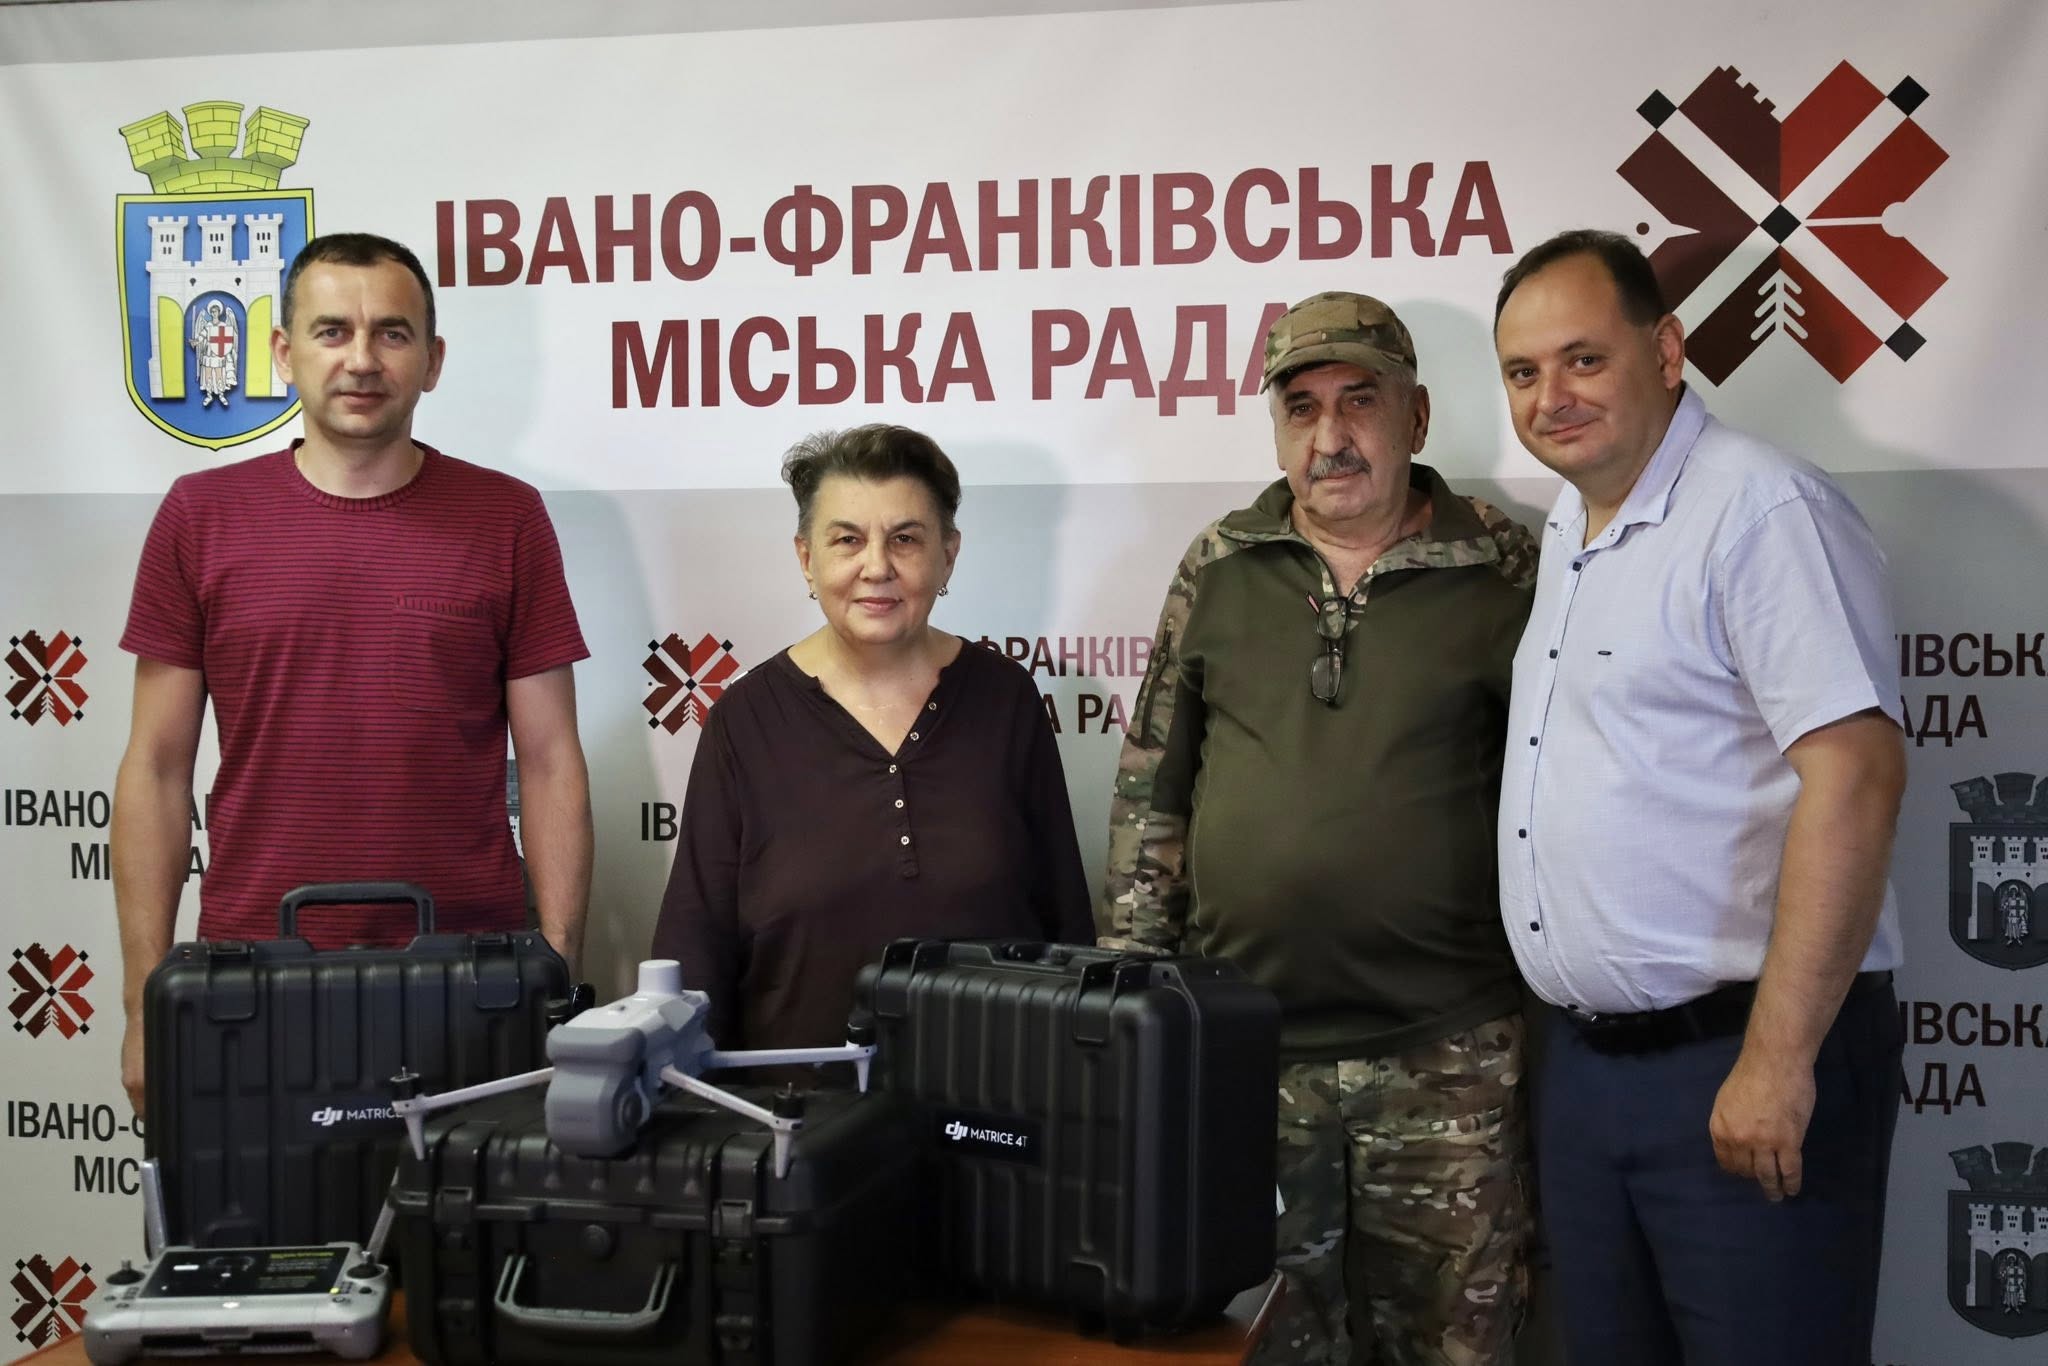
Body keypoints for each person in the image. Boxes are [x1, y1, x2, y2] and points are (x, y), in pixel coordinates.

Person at [1491, 229, 1906, 1366]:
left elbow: (1857, 774)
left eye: (1583, 359)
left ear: (1666, 351)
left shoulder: (1760, 510)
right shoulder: (1569, 529)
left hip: (1740, 1058)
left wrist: (1776, 1061)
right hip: (1590, 1077)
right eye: (1523, 372)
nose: (1551, 397)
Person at [1105, 292, 1539, 1366]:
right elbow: (1154, 790)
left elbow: (1567, 797)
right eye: (1300, 408)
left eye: (1359, 402)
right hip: (1248, 1056)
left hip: (1447, 1056)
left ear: (1416, 417)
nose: (1329, 436)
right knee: (1259, 1346)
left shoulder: (1502, 566)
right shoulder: (1219, 564)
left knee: (1454, 1348)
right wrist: (1131, 1014)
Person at [113, 232, 593, 1117]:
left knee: (463, 1215)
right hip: (251, 977)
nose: (362, 359)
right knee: (261, 1214)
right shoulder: (199, 516)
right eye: (332, 330)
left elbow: (553, 759)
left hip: (470, 977)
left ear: (433, 361)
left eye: (392, 333)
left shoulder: (508, 519)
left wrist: (555, 978)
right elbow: (154, 768)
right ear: (282, 351)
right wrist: (146, 1003)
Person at [651, 424, 1092, 1058]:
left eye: (905, 539)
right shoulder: (744, 721)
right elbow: (696, 947)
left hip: (995, 1099)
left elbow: (1066, 931)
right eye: (848, 540)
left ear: (948, 555)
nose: (877, 566)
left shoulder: (1007, 700)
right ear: (807, 558)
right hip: (796, 1106)